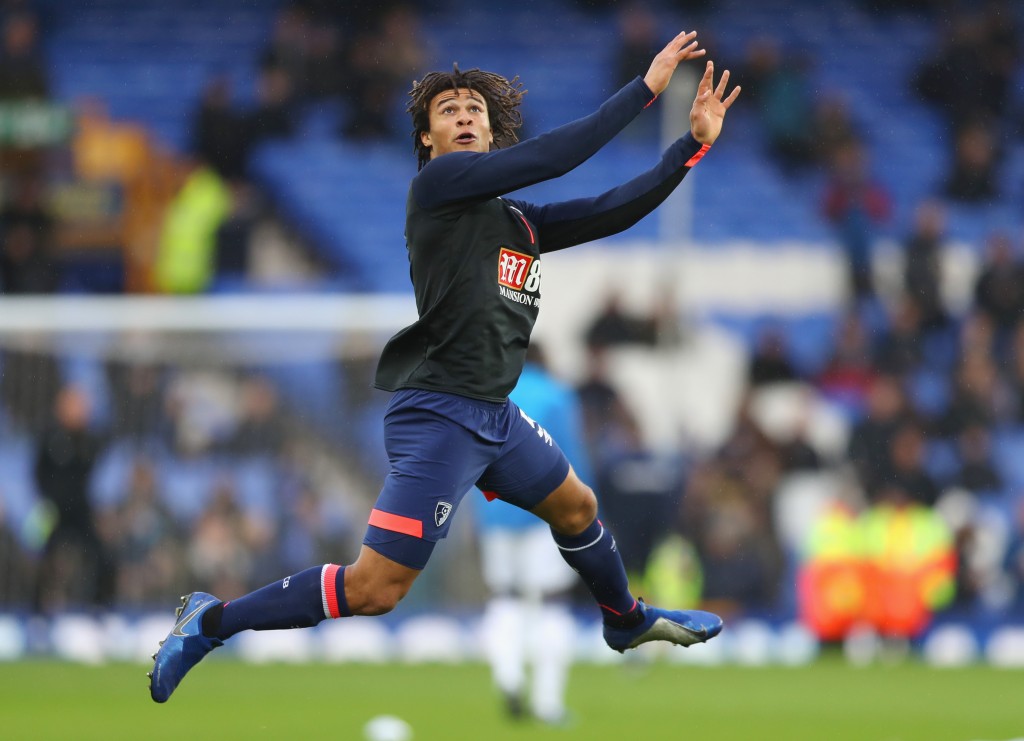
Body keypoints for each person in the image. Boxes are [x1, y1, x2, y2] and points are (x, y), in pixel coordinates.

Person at [150, 28, 740, 703]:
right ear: (428, 139)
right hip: (438, 412)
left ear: (491, 133)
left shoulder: (518, 221)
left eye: (475, 111)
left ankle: (626, 622)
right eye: (448, 111)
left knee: (577, 503)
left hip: (494, 413)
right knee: (374, 589)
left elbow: (613, 209)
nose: (464, 117)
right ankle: (211, 620)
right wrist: (645, 90)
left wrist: (690, 145)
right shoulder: (439, 187)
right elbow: (553, 155)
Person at [472, 343, 588, 726]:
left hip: (494, 512)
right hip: (544, 512)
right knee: (552, 602)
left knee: (505, 597)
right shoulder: (557, 396)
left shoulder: (487, 393)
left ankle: (508, 676)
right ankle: (547, 702)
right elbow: (572, 457)